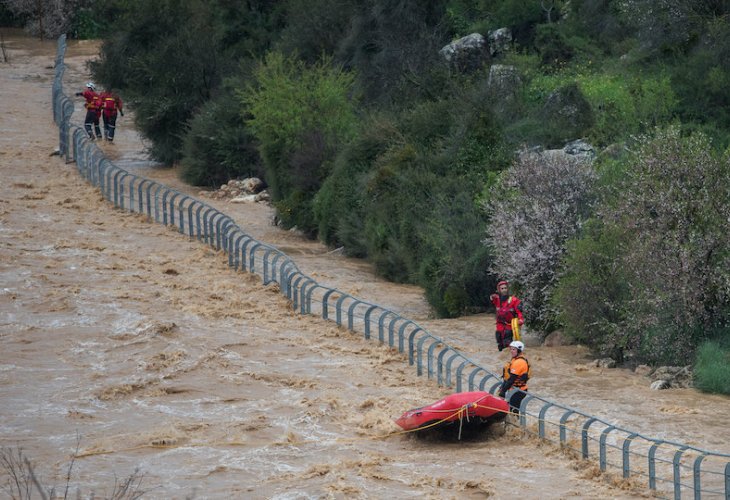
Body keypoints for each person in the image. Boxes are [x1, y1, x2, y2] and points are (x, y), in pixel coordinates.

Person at [489, 280, 524, 351]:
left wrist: (520, 320)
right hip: (499, 326)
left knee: (507, 343)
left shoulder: (514, 300)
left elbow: (519, 312)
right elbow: (492, 298)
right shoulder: (497, 300)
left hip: (509, 325)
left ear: (508, 289)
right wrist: (492, 297)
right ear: (499, 290)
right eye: (502, 289)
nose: (504, 290)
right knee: (500, 343)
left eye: (505, 288)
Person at [498, 340, 530, 413]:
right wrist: (503, 386)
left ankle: (516, 423)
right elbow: (508, 377)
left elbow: (512, 379)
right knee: (510, 409)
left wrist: (503, 391)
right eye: (511, 349)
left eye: (514, 349)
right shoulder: (515, 359)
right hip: (513, 389)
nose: (511, 351)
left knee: (513, 411)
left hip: (519, 391)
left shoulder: (519, 362)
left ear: (519, 350)